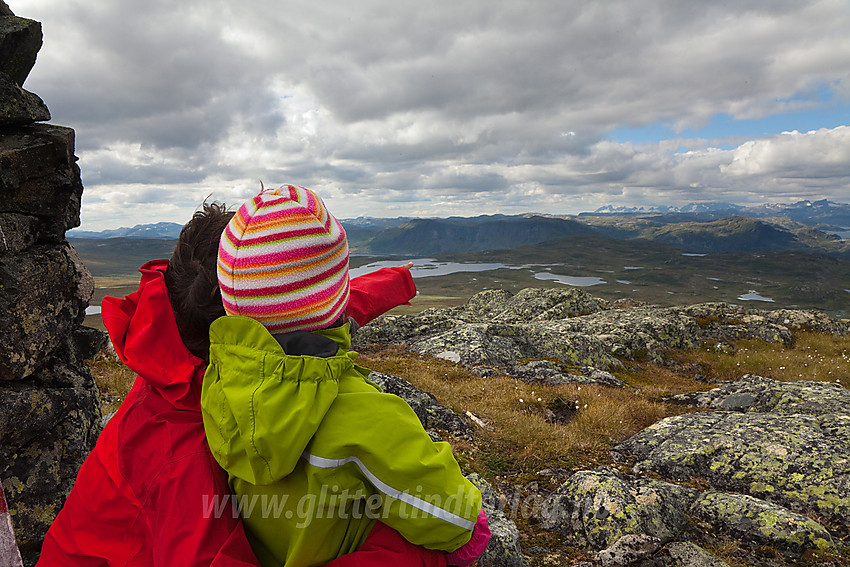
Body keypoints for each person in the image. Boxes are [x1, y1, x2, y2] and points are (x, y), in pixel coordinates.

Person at [37, 200, 432, 566]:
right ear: (253, 345)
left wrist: (393, 282)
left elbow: (301, 315)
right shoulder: (180, 456)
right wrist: (418, 551)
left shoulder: (177, 346)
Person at [201, 185, 490, 567]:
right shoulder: (364, 415)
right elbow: (452, 517)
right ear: (337, 294)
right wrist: (476, 528)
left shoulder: (218, 383)